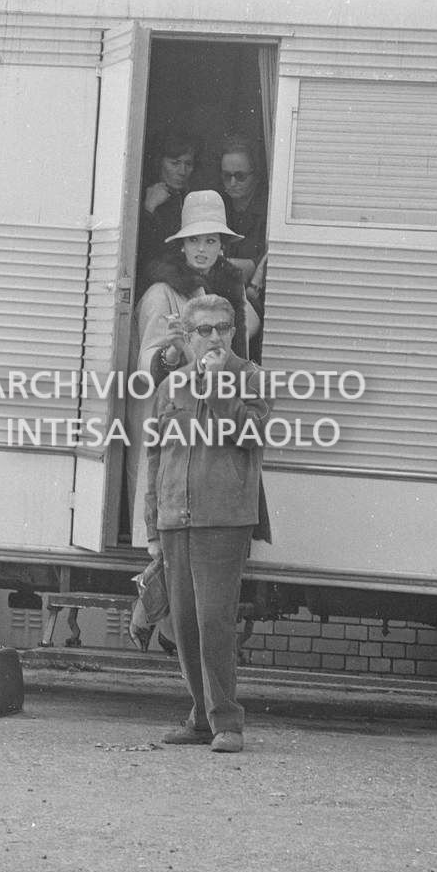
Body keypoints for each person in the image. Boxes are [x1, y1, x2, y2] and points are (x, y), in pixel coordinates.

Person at [126, 191, 258, 651]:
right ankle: (159, 618)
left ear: (223, 247)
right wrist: (172, 350)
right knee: (178, 520)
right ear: (180, 247)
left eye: (212, 241)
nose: (203, 250)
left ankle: (163, 621)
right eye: (194, 242)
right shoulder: (161, 292)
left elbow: (248, 330)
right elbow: (147, 368)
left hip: (215, 419)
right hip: (180, 418)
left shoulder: (224, 291)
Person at [145, 294, 272, 753]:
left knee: (214, 621)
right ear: (189, 336)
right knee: (184, 624)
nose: (215, 336)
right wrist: (152, 529)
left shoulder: (251, 378)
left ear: (235, 332)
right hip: (176, 518)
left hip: (225, 519)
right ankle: (200, 717)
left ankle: (228, 723)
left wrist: (219, 386)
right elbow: (154, 458)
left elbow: (252, 434)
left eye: (223, 328)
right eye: (204, 330)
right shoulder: (171, 386)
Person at [218, 134, 269, 356]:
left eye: (240, 176)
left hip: (255, 305)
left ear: (255, 176)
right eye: (226, 175)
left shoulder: (268, 211)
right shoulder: (220, 206)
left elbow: (258, 264)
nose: (232, 183)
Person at [135, 129, 199, 301]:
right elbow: (139, 253)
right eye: (175, 163)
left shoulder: (192, 199)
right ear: (160, 162)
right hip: (155, 291)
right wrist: (148, 208)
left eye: (188, 164)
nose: (182, 171)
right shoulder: (144, 195)